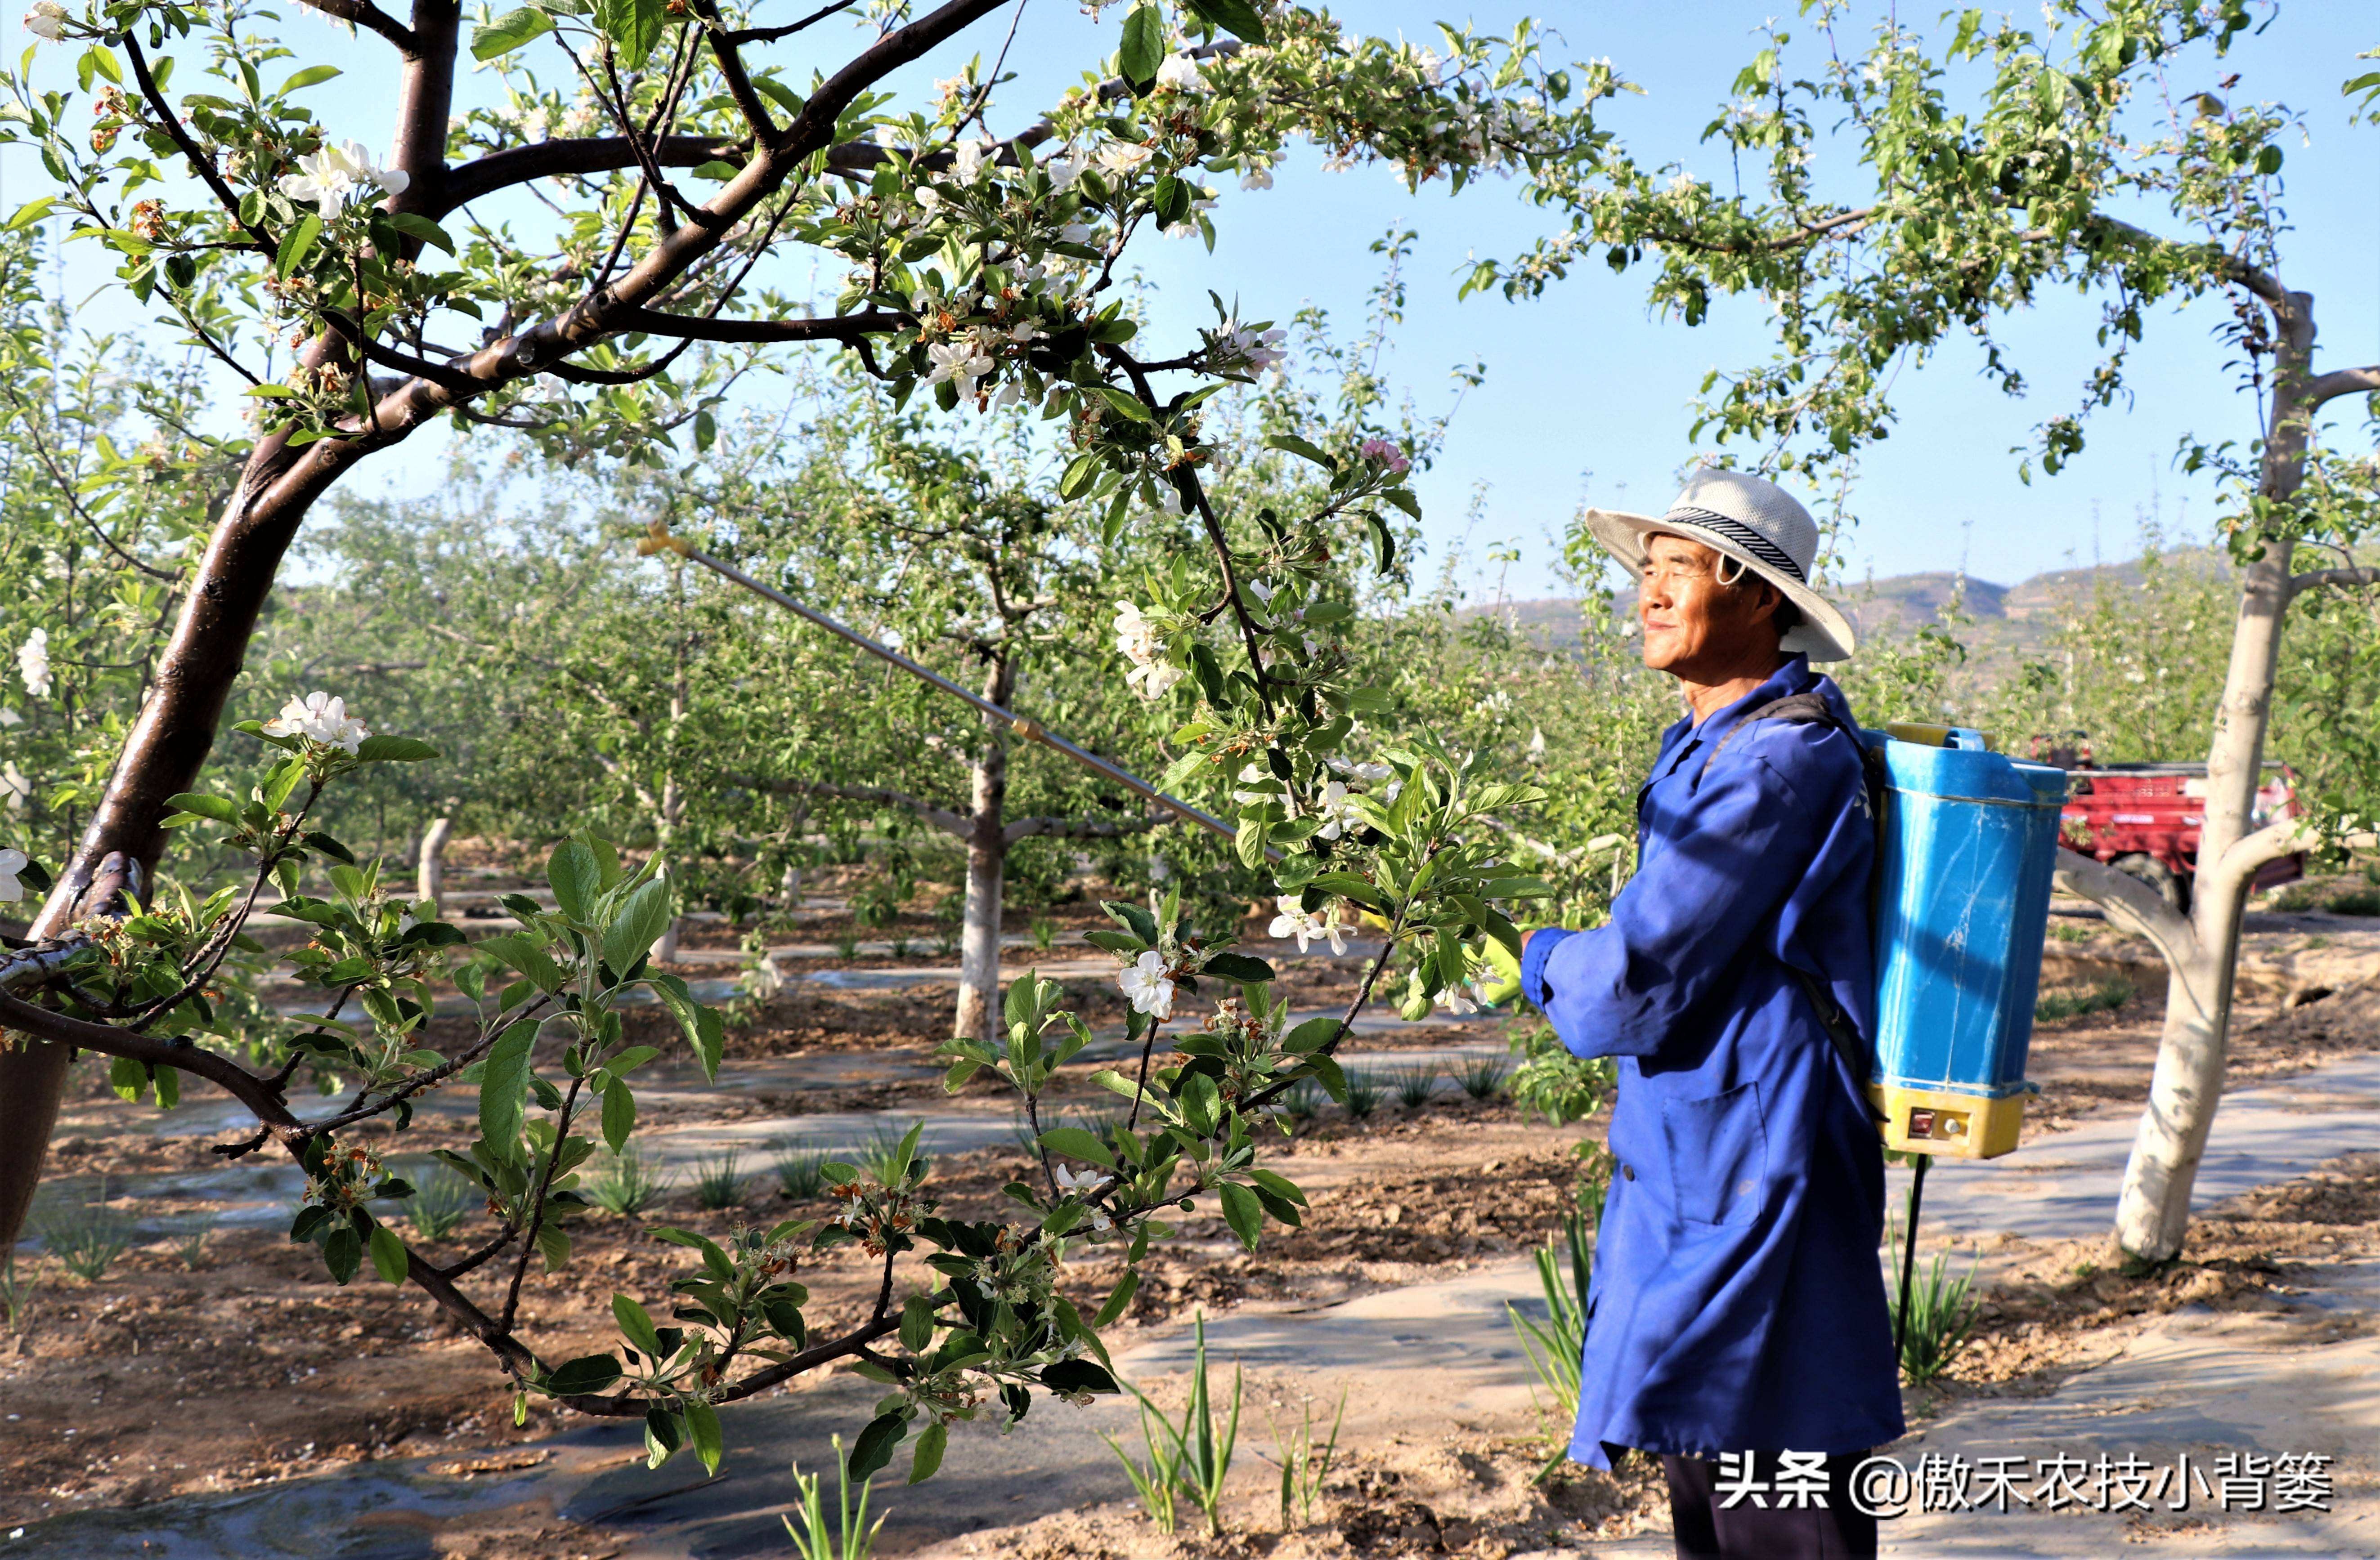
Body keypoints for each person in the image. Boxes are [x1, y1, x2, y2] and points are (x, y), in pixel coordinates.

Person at [1519, 469, 1902, 1560]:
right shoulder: (1713, 742)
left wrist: (1535, 954)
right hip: (1702, 1162)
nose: (1647, 594)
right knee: (1713, 1478)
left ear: (1759, 597)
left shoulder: (1779, 761)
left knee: (1776, 1486)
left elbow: (1635, 979)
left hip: (1761, 1170)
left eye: (1677, 570)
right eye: (1645, 572)